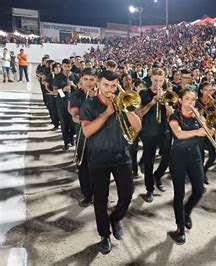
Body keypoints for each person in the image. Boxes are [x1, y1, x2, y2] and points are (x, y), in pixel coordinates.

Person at [79, 70, 142, 254]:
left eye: (114, 86)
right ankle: (104, 234)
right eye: (106, 85)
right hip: (98, 159)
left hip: (121, 156)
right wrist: (107, 113)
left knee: (127, 194)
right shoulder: (89, 104)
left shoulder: (123, 102)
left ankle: (115, 218)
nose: (110, 89)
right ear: (98, 83)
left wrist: (126, 109)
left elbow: (137, 127)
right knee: (100, 199)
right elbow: (87, 131)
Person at [167, 88, 207, 244]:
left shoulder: (198, 115)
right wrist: (197, 131)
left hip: (195, 155)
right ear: (180, 101)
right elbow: (179, 134)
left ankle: (187, 211)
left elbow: (209, 130)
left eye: (193, 99)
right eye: (187, 99)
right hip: (178, 157)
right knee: (179, 193)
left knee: (199, 190)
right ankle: (180, 227)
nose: (191, 102)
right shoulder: (174, 116)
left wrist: (201, 120)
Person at [136, 69, 171, 203]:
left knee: (167, 158)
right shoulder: (143, 93)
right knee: (148, 162)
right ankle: (149, 189)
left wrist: (164, 102)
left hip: (164, 131)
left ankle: (158, 176)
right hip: (148, 132)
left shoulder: (167, 94)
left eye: (161, 80)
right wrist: (152, 102)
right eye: (155, 80)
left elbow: (170, 113)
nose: (158, 83)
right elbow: (139, 114)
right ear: (151, 79)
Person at [68, 68, 97, 207]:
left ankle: (99, 193)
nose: (89, 83)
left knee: (99, 166)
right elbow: (75, 116)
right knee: (83, 165)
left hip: (101, 136)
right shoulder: (76, 95)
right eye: (86, 79)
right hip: (83, 135)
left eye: (92, 79)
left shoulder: (102, 94)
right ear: (81, 80)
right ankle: (87, 194)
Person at [52, 59, 79, 150]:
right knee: (64, 123)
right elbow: (55, 91)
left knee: (73, 124)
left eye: (68, 66)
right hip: (62, 103)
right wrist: (63, 90)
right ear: (62, 66)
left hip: (74, 104)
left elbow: (80, 89)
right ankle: (66, 141)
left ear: (71, 66)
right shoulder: (58, 77)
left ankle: (71, 138)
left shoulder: (76, 76)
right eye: (65, 66)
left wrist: (74, 85)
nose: (67, 68)